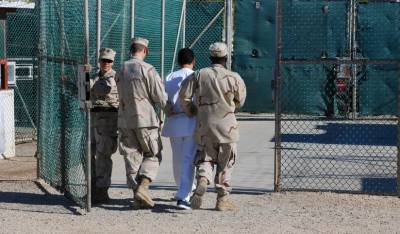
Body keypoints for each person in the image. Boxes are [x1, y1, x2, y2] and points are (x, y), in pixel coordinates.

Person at [179, 42, 247, 211]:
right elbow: (240, 102)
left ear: (210, 57)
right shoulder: (234, 77)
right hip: (227, 127)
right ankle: (222, 199)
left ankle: (202, 179)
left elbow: (184, 97)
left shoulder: (199, 74)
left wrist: (193, 110)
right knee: (226, 162)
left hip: (205, 126)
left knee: (205, 158)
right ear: (226, 58)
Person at [116, 37, 168, 209]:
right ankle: (144, 186)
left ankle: (136, 195)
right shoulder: (148, 69)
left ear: (131, 50)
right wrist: (171, 111)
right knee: (153, 153)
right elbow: (160, 97)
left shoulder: (121, 69)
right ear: (145, 51)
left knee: (132, 156)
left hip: (125, 119)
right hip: (145, 119)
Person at [161, 48, 197, 210]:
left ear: (178, 61)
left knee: (177, 158)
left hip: (174, 121)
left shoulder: (169, 76)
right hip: (190, 121)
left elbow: (164, 98)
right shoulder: (196, 76)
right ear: (193, 61)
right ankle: (184, 196)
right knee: (188, 159)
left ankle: (184, 189)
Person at [90, 48, 119, 204]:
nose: (106, 63)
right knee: (89, 156)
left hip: (108, 123)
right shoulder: (94, 76)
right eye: (103, 60)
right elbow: (83, 91)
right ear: (99, 61)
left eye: (109, 61)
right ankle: (93, 188)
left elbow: (102, 90)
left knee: (103, 157)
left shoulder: (116, 78)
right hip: (93, 121)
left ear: (113, 62)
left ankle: (102, 190)